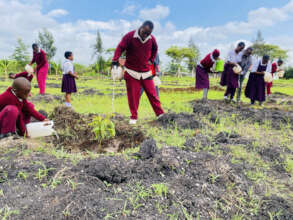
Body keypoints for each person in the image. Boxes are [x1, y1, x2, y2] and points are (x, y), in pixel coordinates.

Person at [112, 20, 164, 125]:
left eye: (148, 34)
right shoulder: (130, 36)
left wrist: (151, 60)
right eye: (144, 32)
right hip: (131, 71)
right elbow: (120, 47)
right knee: (133, 96)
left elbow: (155, 49)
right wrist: (115, 60)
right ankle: (133, 117)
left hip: (146, 72)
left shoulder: (152, 39)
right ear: (141, 28)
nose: (145, 35)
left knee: (152, 94)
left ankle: (160, 114)